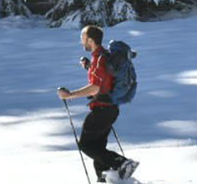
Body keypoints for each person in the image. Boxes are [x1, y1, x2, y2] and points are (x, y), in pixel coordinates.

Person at [58, 24, 140, 182]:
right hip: (109, 110)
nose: (81, 42)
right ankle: (105, 179)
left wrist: (69, 95)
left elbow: (95, 88)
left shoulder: (100, 58)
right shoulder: (102, 56)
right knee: (98, 149)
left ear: (90, 39)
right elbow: (105, 80)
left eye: (83, 38)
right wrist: (89, 66)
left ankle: (123, 164)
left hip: (102, 111)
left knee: (87, 146)